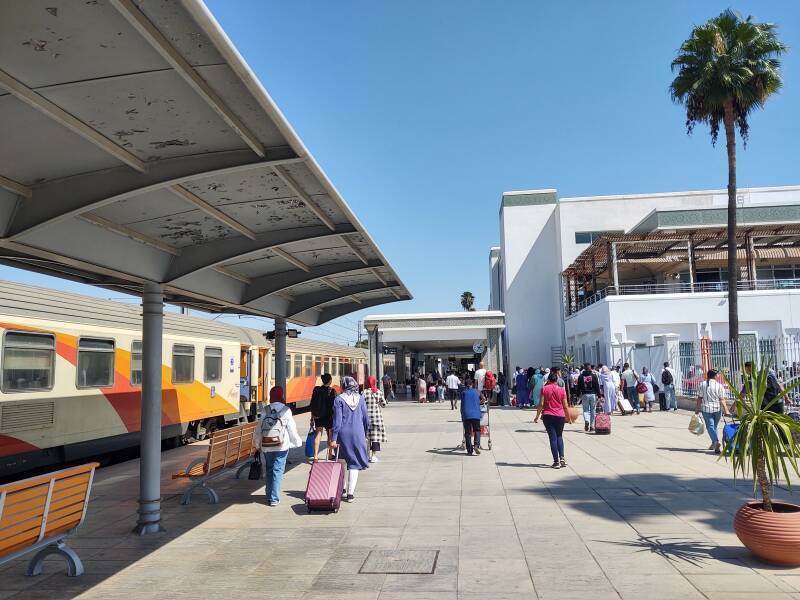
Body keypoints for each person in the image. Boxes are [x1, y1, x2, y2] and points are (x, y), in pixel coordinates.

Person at [256, 386, 303, 506]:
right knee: (277, 470)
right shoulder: (286, 410)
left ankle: (269, 493)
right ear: (281, 395)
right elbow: (291, 429)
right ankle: (274, 498)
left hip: (266, 445)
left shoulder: (265, 410)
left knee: (270, 469)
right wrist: (297, 442)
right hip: (281, 446)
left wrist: (257, 444)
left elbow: (258, 429)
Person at [330, 376, 370, 502]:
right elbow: (366, 419)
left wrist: (333, 438)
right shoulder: (361, 398)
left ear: (343, 385)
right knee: (354, 463)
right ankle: (351, 494)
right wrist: (364, 432)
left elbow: (337, 422)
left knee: (341, 461)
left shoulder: (338, 400)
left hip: (342, 435)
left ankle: (343, 489)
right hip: (358, 433)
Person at [534, 371, 573, 468]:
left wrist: (537, 416)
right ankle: (562, 458)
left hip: (548, 415)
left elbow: (541, 404)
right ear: (556, 380)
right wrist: (569, 417)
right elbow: (565, 405)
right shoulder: (561, 390)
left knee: (552, 438)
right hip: (560, 416)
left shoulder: (544, 389)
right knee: (559, 436)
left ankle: (556, 461)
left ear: (548, 380)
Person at [695, 369, 730, 454]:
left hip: (706, 409)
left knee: (710, 427)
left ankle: (715, 442)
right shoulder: (719, 385)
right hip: (717, 409)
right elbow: (722, 399)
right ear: (715, 376)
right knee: (714, 427)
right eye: (717, 374)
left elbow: (700, 398)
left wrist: (697, 409)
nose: (718, 376)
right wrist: (726, 410)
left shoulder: (702, 384)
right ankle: (715, 446)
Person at [310, 373, 336, 461]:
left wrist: (312, 417)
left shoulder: (316, 390)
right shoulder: (332, 391)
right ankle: (329, 454)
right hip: (328, 416)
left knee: (318, 434)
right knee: (330, 436)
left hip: (318, 416)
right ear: (330, 381)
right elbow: (334, 405)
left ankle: (315, 456)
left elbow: (312, 404)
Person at [364, 375, 387, 463]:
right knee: (375, 437)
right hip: (377, 418)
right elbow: (384, 404)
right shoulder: (379, 392)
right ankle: (373, 456)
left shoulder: (364, 392)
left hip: (366, 418)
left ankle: (366, 455)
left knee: (367, 437)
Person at [460, 376, 482, 455]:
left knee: (468, 433)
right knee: (477, 430)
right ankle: (476, 445)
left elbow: (462, 403)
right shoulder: (477, 391)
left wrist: (462, 415)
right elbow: (483, 399)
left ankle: (469, 451)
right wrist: (479, 402)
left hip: (466, 415)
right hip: (476, 414)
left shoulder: (463, 393)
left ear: (465, 385)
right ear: (472, 384)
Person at [577, 362, 601, 432]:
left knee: (585, 410)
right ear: (590, 368)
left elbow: (578, 387)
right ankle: (592, 426)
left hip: (584, 394)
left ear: (584, 368)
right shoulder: (594, 376)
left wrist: (578, 395)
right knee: (593, 410)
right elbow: (597, 386)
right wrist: (599, 395)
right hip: (593, 394)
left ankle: (587, 420)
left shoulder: (581, 376)